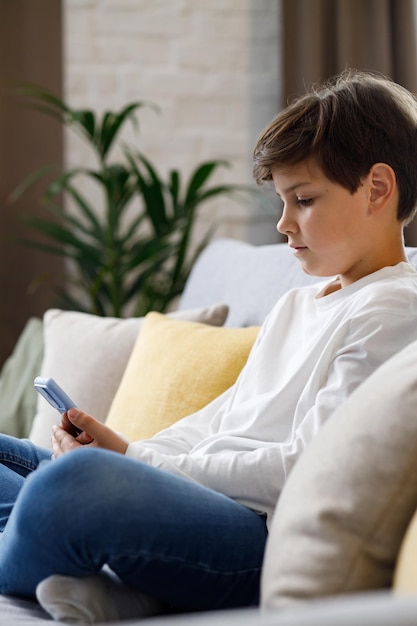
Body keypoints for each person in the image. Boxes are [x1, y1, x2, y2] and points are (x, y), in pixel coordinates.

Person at [2, 68, 417, 624]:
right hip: (204, 504)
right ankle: (84, 565)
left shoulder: (393, 310)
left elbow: (304, 466)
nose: (283, 223)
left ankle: (54, 542)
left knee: (71, 485)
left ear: (378, 188)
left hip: (255, 536)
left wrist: (135, 463)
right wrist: (127, 450)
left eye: (304, 199)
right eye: (282, 200)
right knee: (36, 463)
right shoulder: (300, 303)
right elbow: (220, 420)